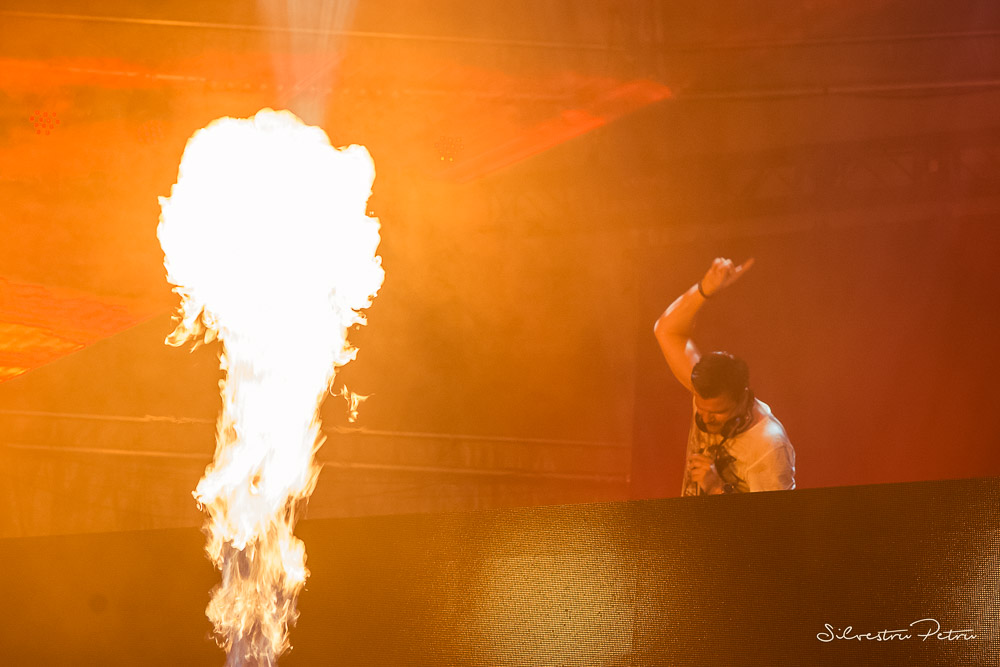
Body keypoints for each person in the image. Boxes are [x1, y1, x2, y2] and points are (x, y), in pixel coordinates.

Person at [653, 257, 795, 496]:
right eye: (701, 409)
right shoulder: (706, 395)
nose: (706, 419)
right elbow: (666, 330)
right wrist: (704, 290)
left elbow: (775, 519)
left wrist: (717, 487)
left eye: (718, 413)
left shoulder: (769, 444)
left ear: (742, 397)